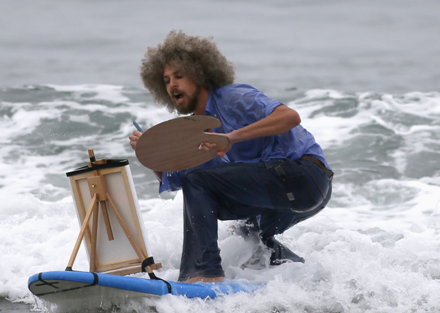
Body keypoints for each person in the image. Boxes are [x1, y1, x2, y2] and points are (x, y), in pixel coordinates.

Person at [129, 30, 333, 283]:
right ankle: (300, 276)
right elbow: (182, 185)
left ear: (200, 73)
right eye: (166, 80)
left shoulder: (233, 97)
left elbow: (290, 117)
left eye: (179, 76)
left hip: (305, 176)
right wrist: (151, 154)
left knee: (200, 181)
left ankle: (204, 273)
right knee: (247, 235)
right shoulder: (194, 132)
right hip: (284, 197)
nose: (172, 85)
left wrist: (232, 137)